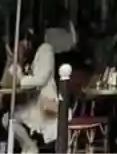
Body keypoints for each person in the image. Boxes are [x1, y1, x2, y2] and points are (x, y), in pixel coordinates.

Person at [8, 26, 75, 154]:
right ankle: (28, 145)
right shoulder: (30, 56)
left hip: (48, 103)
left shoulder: (46, 50)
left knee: (10, 118)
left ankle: (30, 147)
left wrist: (21, 78)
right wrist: (15, 60)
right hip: (36, 102)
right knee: (8, 118)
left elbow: (40, 79)